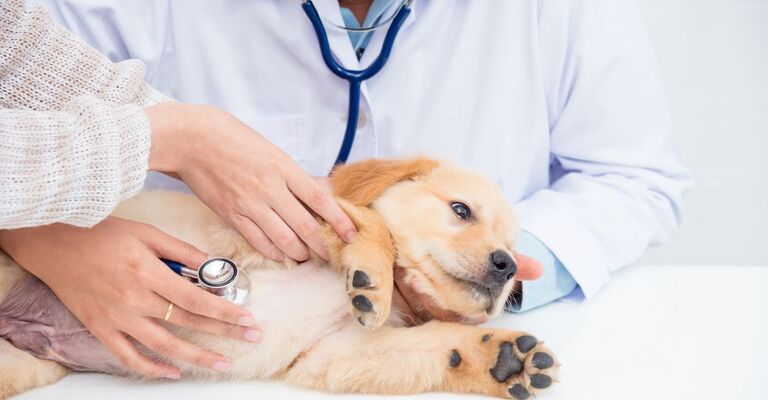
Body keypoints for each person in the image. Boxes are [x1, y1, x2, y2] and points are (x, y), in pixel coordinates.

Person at [1, 0, 691, 379]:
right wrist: (36, 234)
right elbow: (22, 96)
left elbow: (633, 178)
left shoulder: (565, 11)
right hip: (107, 343)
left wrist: (487, 280)